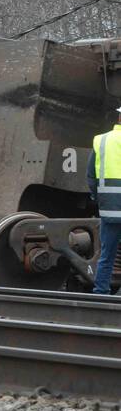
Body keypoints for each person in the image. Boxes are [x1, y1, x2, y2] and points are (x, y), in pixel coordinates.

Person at [88, 105, 121, 294]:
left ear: (118, 119)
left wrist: (97, 196)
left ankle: (101, 293)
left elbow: (91, 176)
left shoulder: (102, 141)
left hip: (109, 207)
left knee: (107, 255)